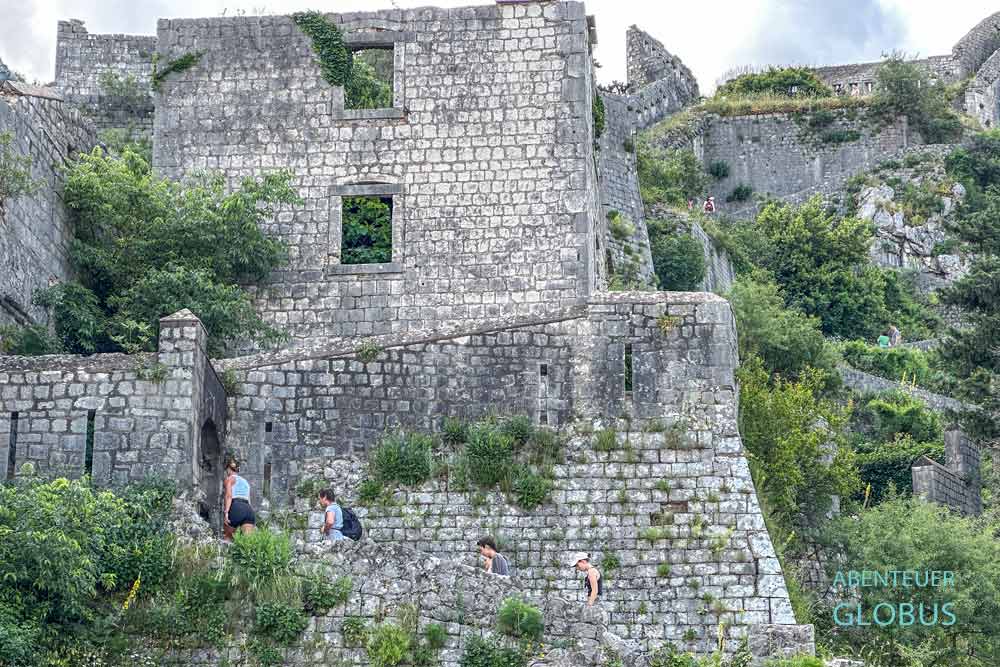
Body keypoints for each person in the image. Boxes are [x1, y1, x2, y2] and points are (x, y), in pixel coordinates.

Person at [223, 458, 255, 541]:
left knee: (227, 538)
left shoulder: (229, 479)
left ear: (228, 469)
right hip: (249, 510)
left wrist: (226, 513)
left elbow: (228, 496)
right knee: (247, 543)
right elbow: (249, 501)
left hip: (237, 507)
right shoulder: (246, 482)